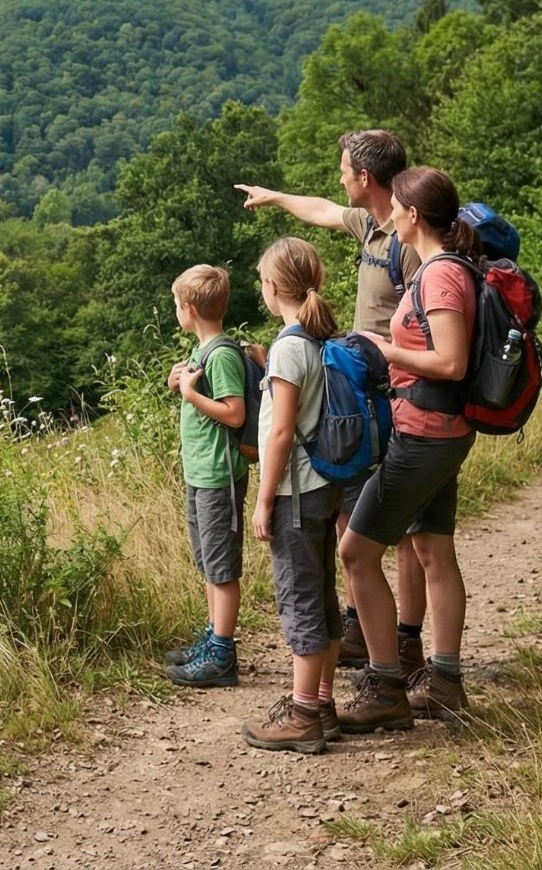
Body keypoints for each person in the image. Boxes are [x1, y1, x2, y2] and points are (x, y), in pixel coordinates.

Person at [237, 129, 430, 678]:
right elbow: (320, 209)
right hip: (364, 397)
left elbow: (429, 326)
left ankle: (405, 643)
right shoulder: (371, 223)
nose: (340, 177)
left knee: (406, 536)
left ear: (366, 177)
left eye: (345, 168)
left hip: (396, 399)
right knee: (352, 526)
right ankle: (360, 631)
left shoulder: (407, 241)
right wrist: (274, 197)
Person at [338, 167, 481, 731]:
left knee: (355, 553)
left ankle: (386, 686)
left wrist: (384, 348)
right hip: (441, 430)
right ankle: (443, 681)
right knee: (433, 552)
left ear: (414, 215)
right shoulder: (445, 268)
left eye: (396, 207)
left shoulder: (440, 275)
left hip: (424, 434)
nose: (389, 215)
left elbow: (451, 362)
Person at [241, 237, 344, 754]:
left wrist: (263, 500)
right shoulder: (319, 337)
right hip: (325, 487)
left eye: (262, 281)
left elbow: (281, 433)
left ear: (273, 288)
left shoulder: (288, 347)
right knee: (323, 595)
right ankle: (322, 705)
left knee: (300, 599)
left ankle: (303, 716)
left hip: (295, 492)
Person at [161, 264, 248, 688]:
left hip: (219, 476)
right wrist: (179, 383)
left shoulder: (223, 354)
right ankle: (213, 636)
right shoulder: (201, 352)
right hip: (200, 474)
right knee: (208, 562)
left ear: (190, 308)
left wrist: (192, 394)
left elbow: (235, 413)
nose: (175, 310)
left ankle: (222, 655)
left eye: (177, 304)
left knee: (222, 567)